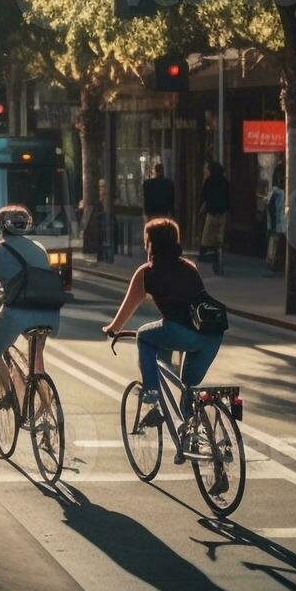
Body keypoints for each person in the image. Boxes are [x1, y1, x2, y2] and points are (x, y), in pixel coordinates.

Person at [101, 218, 225, 443]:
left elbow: (130, 305)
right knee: (189, 388)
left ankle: (151, 392)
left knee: (144, 336)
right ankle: (196, 440)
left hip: (181, 332)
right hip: (212, 336)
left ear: (151, 243)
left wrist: (113, 329)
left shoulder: (147, 272)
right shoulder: (189, 267)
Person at [0, 206, 64, 394]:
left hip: (19, 311)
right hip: (50, 311)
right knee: (36, 357)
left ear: (2, 226)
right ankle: (47, 407)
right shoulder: (40, 249)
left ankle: (9, 393)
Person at [198, 160, 229, 266]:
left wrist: (201, 208)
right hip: (223, 212)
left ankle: (204, 252)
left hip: (211, 211)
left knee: (207, 234)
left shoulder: (209, 181)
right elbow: (228, 196)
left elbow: (203, 196)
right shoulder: (225, 181)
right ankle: (218, 251)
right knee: (220, 235)